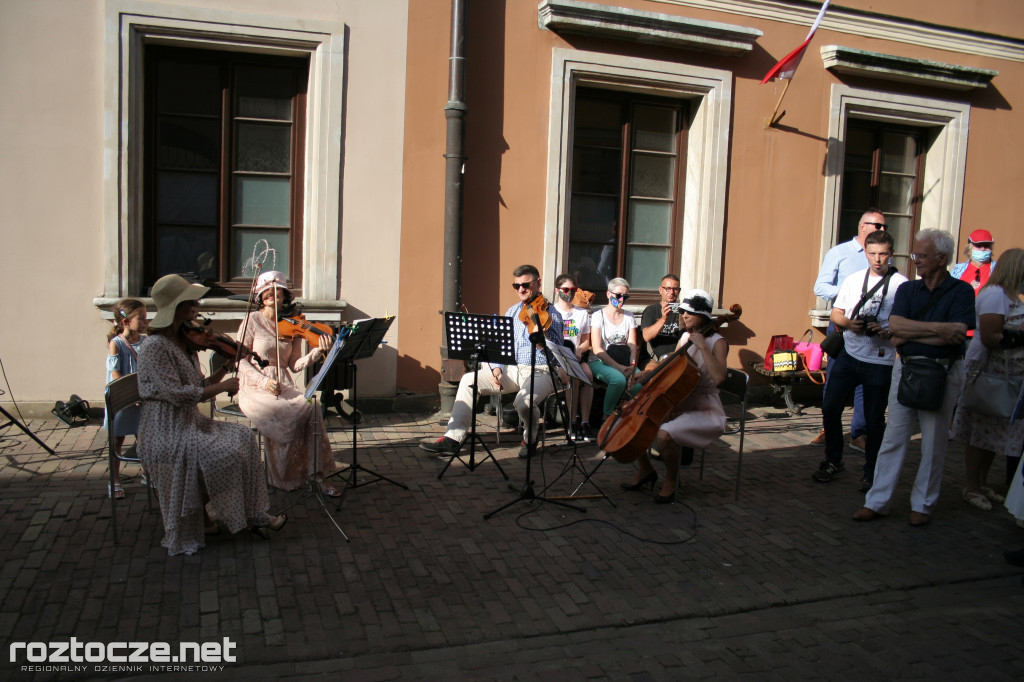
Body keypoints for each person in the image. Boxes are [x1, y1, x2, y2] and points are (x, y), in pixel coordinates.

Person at [138, 274, 286, 556]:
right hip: (166, 429)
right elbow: (176, 394)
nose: (196, 306)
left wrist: (224, 370)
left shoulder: (186, 343)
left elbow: (197, 386)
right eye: (190, 301)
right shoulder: (155, 347)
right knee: (225, 455)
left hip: (190, 422)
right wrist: (222, 386)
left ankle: (253, 513)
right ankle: (206, 515)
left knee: (244, 437)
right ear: (178, 307)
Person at [853, 229, 975, 526]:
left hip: (943, 371)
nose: (915, 260)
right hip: (907, 367)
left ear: (941, 258)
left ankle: (923, 504)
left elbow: (957, 334)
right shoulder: (908, 290)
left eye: (921, 255)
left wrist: (916, 332)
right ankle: (877, 501)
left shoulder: (961, 291)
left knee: (934, 442)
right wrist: (939, 330)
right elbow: (895, 328)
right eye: (914, 255)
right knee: (893, 437)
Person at [421, 264, 564, 458]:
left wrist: (540, 341)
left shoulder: (552, 315)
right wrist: (497, 369)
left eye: (526, 284)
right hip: (512, 370)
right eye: (517, 286)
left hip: (541, 371)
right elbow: (500, 347)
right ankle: (453, 438)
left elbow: (557, 356)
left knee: (524, 403)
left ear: (538, 283)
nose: (521, 289)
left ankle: (530, 439)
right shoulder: (512, 312)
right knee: (469, 380)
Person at [812, 230, 908, 491]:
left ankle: (871, 471)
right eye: (872, 253)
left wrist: (887, 331)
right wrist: (850, 324)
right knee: (830, 407)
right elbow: (836, 314)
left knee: (874, 419)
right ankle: (833, 460)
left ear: (891, 253)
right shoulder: (854, 280)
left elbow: (906, 326)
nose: (877, 259)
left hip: (880, 360)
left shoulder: (902, 284)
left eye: (883, 254)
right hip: (849, 354)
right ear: (865, 253)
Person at [236, 271, 338, 495]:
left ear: (284, 296)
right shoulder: (251, 321)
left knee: (312, 409)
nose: (272, 294)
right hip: (254, 386)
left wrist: (317, 351)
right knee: (287, 411)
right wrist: (263, 382)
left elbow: (295, 365)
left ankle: (315, 474)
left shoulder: (289, 325)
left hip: (283, 382)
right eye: (266, 291)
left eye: (277, 290)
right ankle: (284, 475)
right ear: (260, 296)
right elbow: (239, 361)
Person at [621, 289, 727, 503]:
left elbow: (719, 378)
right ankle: (646, 470)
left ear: (704, 316)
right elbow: (669, 366)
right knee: (635, 420)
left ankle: (672, 479)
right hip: (680, 401)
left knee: (664, 434)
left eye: (689, 312)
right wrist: (646, 375)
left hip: (705, 408)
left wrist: (702, 348)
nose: (684, 315)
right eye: (682, 311)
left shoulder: (717, 341)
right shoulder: (686, 336)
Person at [952, 249, 1024, 510]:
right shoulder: (996, 295)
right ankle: (971, 486)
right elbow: (991, 336)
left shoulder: (1008, 295)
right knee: (979, 432)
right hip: (989, 376)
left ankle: (981, 483)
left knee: (993, 434)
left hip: (1005, 377)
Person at [810, 209, 888, 448]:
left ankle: (859, 433)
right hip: (843, 322)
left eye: (884, 227)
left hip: (870, 327)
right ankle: (828, 427)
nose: (883, 230)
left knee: (867, 379)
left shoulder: (883, 257)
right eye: (878, 226)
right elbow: (821, 287)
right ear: (863, 226)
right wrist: (848, 295)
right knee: (836, 377)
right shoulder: (840, 252)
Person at [104, 298, 148, 499]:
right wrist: (131, 395)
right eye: (141, 319)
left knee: (144, 438)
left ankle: (148, 473)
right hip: (123, 399)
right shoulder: (117, 344)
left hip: (141, 398)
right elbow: (115, 375)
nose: (145, 322)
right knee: (117, 440)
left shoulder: (145, 341)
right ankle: (114, 481)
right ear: (126, 321)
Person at [552, 274, 595, 441]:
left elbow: (586, 342)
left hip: (576, 356)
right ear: (557, 291)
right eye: (565, 290)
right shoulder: (552, 312)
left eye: (573, 290)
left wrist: (578, 350)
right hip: (558, 359)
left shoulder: (582, 313)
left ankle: (585, 422)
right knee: (573, 378)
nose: (569, 293)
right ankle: (571, 422)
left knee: (588, 376)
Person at [588, 278, 638, 421]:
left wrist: (633, 367)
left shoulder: (629, 316)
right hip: (600, 361)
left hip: (624, 360)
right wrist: (619, 368)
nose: (622, 299)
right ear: (609, 294)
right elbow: (597, 348)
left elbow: (633, 345)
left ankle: (628, 415)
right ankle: (607, 416)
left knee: (640, 382)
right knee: (618, 380)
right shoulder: (599, 316)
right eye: (618, 295)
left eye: (625, 296)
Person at [639, 275, 683, 369]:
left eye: (675, 289)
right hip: (651, 358)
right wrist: (663, 319)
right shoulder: (651, 310)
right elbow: (646, 336)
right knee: (654, 373)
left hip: (674, 358)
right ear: (660, 290)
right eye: (667, 288)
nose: (671, 292)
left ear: (679, 291)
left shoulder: (683, 312)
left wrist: (684, 319)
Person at [951, 229, 997, 295]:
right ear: (970, 247)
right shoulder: (957, 270)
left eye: (987, 245)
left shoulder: (998, 270)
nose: (983, 249)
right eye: (979, 245)